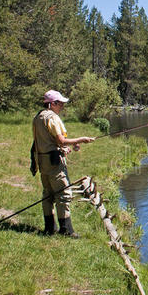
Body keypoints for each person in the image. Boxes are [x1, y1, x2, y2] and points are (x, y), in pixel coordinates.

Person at [31, 90, 95, 238]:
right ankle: (66, 230)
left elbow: (46, 141)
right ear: (52, 104)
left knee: (48, 194)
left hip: (42, 161)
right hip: (54, 163)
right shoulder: (52, 118)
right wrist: (80, 139)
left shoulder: (38, 117)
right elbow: (60, 140)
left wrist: (65, 147)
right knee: (64, 194)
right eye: (60, 103)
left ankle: (49, 228)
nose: (62, 106)